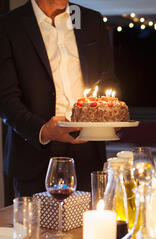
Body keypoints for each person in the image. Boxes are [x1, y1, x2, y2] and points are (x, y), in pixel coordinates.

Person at [0, 0, 117, 196]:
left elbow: (107, 79)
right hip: (34, 156)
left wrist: (110, 116)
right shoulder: (9, 26)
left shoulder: (90, 20)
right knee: (36, 227)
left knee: (91, 225)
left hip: (88, 152)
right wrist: (43, 130)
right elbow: (5, 98)